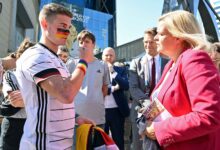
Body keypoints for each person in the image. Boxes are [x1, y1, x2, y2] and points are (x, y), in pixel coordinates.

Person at [15, 3, 94, 150]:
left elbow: (55, 101)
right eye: (63, 26)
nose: (67, 32)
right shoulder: (37, 56)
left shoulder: (56, 59)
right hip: (42, 144)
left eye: (69, 28)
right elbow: (66, 93)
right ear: (45, 24)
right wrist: (83, 62)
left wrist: (75, 118)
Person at [145, 10, 220, 150]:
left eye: (161, 34)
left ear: (178, 36)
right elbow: (164, 101)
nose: (155, 38)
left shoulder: (194, 59)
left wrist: (159, 129)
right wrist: (146, 117)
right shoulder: (171, 64)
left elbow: (209, 116)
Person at [129, 27, 168, 150]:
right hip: (140, 111)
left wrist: (157, 109)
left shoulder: (168, 63)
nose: (148, 45)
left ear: (157, 41)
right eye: (145, 42)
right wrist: (150, 107)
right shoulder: (135, 63)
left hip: (162, 113)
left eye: (151, 42)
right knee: (139, 146)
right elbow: (134, 88)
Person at [0, 38, 35, 150]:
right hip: (12, 126)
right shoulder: (11, 75)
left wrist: (27, 99)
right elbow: (16, 102)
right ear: (20, 57)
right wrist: (36, 99)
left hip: (32, 126)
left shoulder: (40, 78)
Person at [102, 47, 130, 150]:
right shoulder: (97, 70)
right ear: (102, 56)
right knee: (101, 141)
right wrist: (113, 88)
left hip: (117, 111)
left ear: (115, 57)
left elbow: (126, 86)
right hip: (101, 111)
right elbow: (98, 89)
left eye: (111, 55)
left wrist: (113, 72)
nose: (108, 57)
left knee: (118, 141)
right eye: (106, 55)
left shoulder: (120, 70)